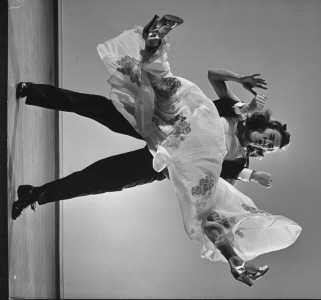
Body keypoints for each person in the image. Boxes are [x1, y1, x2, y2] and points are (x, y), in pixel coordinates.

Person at [92, 14, 301, 287]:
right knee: (161, 95)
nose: (266, 144)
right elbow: (214, 76)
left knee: (105, 177)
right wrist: (241, 80)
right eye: (269, 137)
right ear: (265, 126)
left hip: (173, 152)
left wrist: (250, 175)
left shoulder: (240, 159)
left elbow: (214, 188)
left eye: (270, 147)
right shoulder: (239, 114)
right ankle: (156, 40)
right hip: (181, 124)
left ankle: (154, 44)